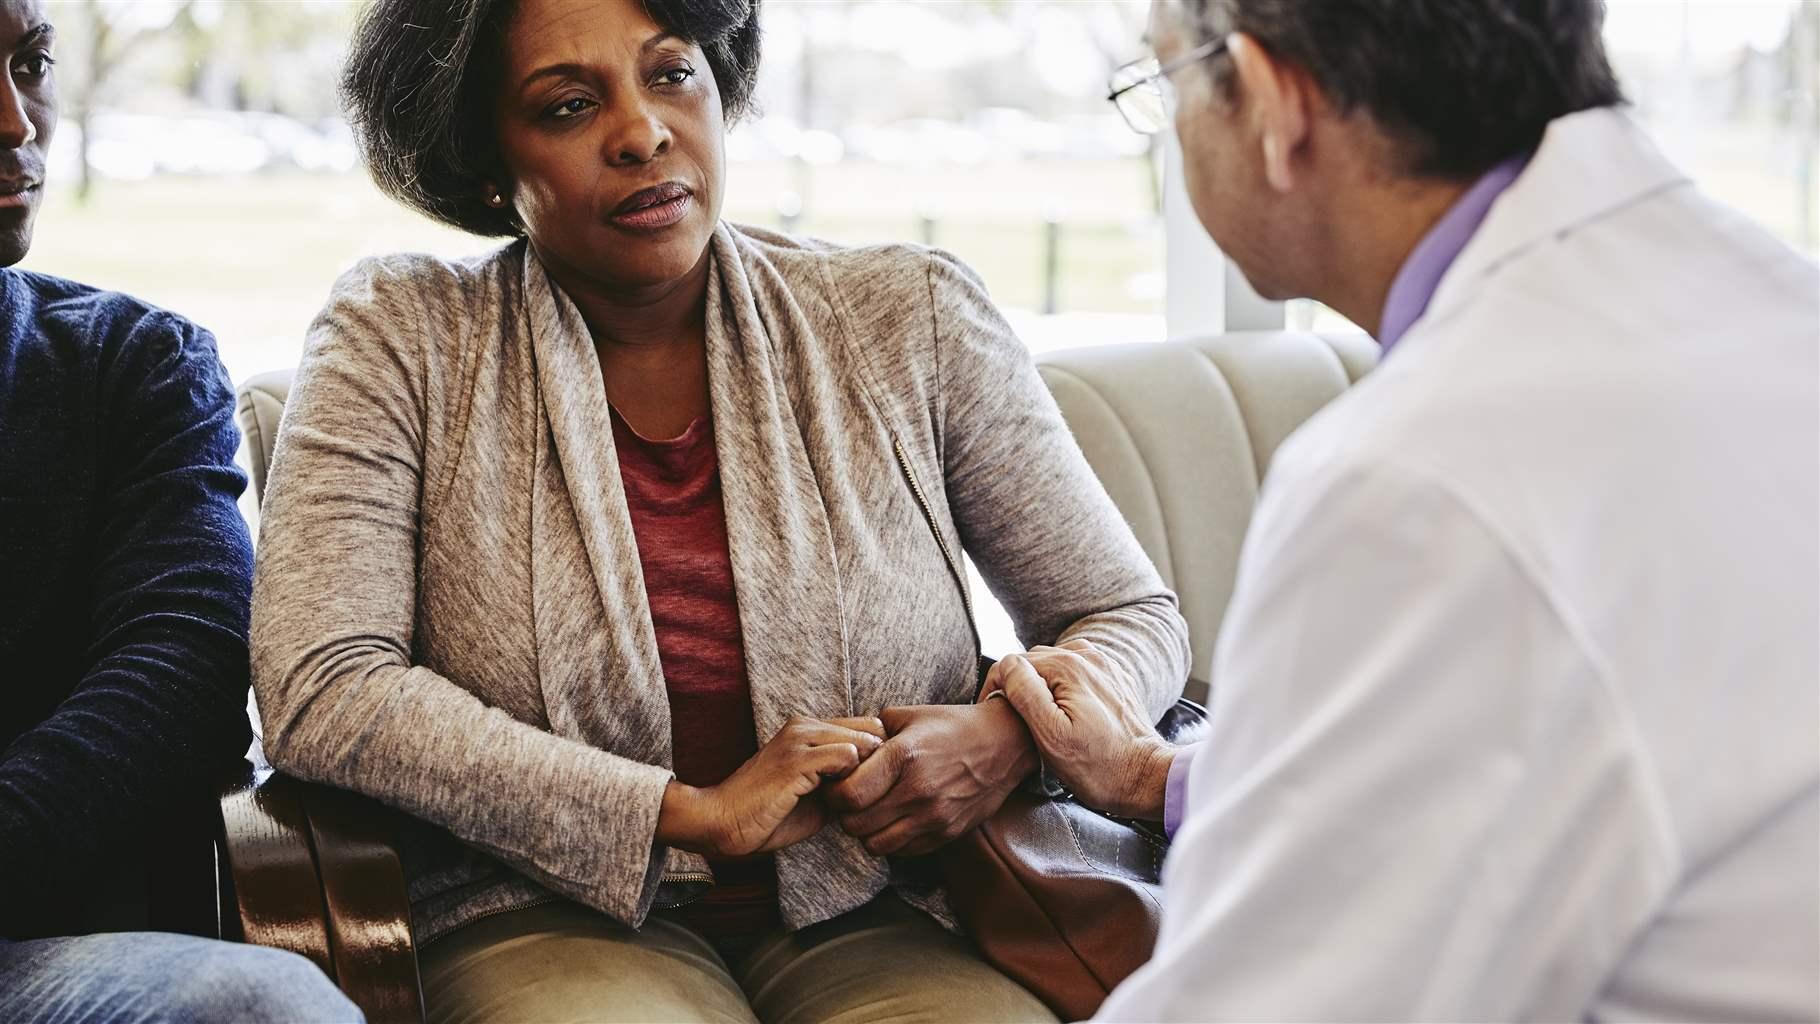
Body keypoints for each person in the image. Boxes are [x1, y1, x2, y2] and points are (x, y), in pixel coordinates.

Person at [250, 0, 1190, 1020]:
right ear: (484, 160)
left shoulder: (905, 316)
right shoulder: (399, 339)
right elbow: (323, 686)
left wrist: (1003, 737)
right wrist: (679, 812)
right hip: (536, 909)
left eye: (670, 75)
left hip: (889, 904)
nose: (643, 133)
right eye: (568, 105)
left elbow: (1128, 617)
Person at [990, 0, 1820, 1020]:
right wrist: (1161, 776)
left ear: (1268, 102)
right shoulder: (1764, 298)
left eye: (1161, 82)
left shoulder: (1418, 484)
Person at [0, 1, 363, 1021]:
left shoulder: (134, 365)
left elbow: (183, 667)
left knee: (265, 1005)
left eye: (32, 63)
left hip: (38, 954)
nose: (16, 122)